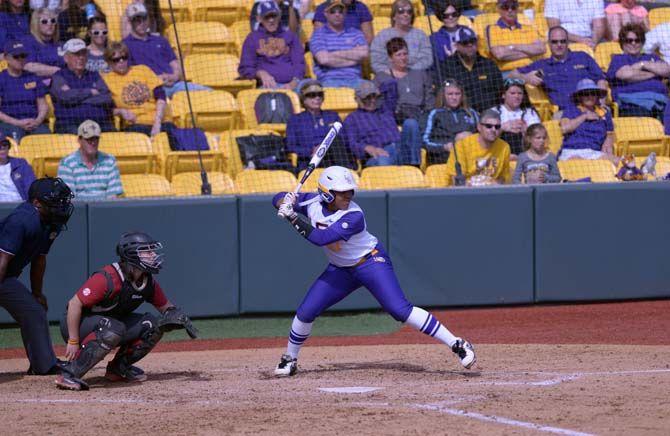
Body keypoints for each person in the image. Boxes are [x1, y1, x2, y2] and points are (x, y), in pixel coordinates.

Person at [271, 167, 477, 377]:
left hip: (370, 262)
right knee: (306, 311)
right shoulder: (311, 202)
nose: (348, 196)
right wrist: (285, 201)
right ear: (327, 193)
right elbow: (276, 198)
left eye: (350, 191)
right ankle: (290, 359)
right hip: (340, 270)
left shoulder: (354, 214)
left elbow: (321, 239)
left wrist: (293, 218)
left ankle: (457, 344)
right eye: (342, 192)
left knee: (399, 310)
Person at [55, 231, 198, 390]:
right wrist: (73, 340)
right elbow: (74, 304)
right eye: (146, 251)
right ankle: (69, 374)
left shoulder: (147, 281)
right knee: (113, 328)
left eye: (152, 251)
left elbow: (167, 308)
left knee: (153, 324)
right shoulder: (108, 277)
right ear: (131, 254)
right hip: (76, 325)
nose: (152, 255)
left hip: (111, 325)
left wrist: (175, 316)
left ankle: (118, 369)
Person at [0, 177, 74, 375]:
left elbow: (39, 259)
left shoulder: (50, 223)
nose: (61, 206)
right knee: (33, 312)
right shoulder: (22, 219)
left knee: (34, 311)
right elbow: (2, 259)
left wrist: (37, 293)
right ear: (36, 203)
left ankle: (44, 365)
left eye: (62, 201)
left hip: (5, 277)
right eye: (55, 202)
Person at [509, 26, 607, 111]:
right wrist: (526, 78)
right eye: (555, 42)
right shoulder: (542, 65)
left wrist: (601, 104)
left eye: (562, 41)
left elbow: (601, 79)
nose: (559, 45)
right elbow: (511, 75)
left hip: (591, 108)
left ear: (568, 42)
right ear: (549, 44)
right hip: (564, 113)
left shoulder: (582, 57)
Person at [122, 3, 209, 97]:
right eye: (137, 21)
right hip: (150, 90)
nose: (142, 23)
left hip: (174, 85)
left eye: (144, 19)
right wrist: (156, 79)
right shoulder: (125, 45)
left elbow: (174, 63)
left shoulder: (160, 40)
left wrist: (174, 76)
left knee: (208, 93)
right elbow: (130, 74)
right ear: (131, 23)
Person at [103, 41, 177, 139]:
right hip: (136, 125)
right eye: (116, 60)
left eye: (124, 58)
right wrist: (120, 111)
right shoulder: (106, 80)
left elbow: (161, 96)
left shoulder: (142, 70)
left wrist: (157, 123)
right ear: (109, 62)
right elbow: (105, 109)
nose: (121, 62)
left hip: (161, 121)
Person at [344, 80, 421, 166]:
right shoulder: (351, 119)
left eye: (374, 96)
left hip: (400, 148)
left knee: (411, 123)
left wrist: (376, 89)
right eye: (367, 97)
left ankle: (414, 166)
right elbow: (351, 143)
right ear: (357, 99)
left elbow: (392, 85)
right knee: (383, 161)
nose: (372, 100)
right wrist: (366, 148)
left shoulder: (386, 109)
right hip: (378, 154)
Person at [286, 79, 355, 169]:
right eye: (312, 95)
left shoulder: (332, 116)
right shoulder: (295, 120)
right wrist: (311, 151)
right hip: (309, 161)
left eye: (320, 95)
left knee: (336, 141)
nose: (317, 98)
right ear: (303, 99)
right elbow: (290, 146)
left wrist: (323, 147)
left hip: (333, 159)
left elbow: (344, 139)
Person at [50, 38, 114, 133]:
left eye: (83, 53)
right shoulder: (59, 76)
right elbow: (65, 97)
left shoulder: (94, 75)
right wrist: (91, 92)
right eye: (76, 54)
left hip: (98, 122)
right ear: (66, 58)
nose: (81, 57)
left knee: (114, 135)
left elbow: (107, 97)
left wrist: (76, 97)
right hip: (69, 123)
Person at [607, 23, 670, 120]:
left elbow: (667, 70)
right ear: (622, 43)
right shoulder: (618, 59)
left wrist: (642, 64)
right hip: (632, 105)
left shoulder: (652, 57)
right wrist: (654, 72)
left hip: (661, 103)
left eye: (637, 40)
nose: (634, 43)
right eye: (629, 40)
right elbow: (625, 75)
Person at [239, 1, 305, 90]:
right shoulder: (252, 38)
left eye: (274, 16)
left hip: (294, 84)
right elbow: (245, 68)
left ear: (279, 15)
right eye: (267, 17)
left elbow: (299, 63)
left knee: (313, 87)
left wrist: (294, 82)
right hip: (269, 86)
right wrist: (260, 73)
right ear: (259, 19)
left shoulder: (290, 36)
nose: (271, 20)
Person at [437, 27, 504, 113]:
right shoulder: (447, 66)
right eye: (465, 42)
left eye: (472, 41)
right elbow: (443, 94)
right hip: (460, 113)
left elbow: (499, 91)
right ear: (457, 45)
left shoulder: (488, 64)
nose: (470, 45)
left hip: (489, 112)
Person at [373, 37, 435, 128]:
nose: (403, 58)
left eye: (405, 54)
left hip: (420, 117)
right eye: (398, 55)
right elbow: (376, 102)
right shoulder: (381, 78)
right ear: (390, 57)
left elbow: (429, 99)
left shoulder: (420, 74)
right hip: (393, 119)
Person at [57, 119, 123, 199]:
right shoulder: (67, 163)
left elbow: (112, 197)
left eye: (96, 138)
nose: (93, 142)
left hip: (105, 209)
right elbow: (69, 199)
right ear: (79, 140)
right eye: (89, 139)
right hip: (78, 210)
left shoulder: (110, 161)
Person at [309, 0, 369, 88]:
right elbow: (323, 60)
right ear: (326, 14)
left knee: (371, 89)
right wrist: (354, 58)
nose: (337, 14)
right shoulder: (318, 35)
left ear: (345, 14)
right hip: (329, 81)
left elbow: (364, 54)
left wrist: (332, 55)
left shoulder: (356, 33)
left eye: (340, 12)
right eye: (333, 12)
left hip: (355, 80)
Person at [0, 40, 50, 141]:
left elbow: (43, 105)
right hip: (10, 123)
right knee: (16, 136)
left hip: (33, 122)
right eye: (16, 56)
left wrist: (37, 121)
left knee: (46, 135)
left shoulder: (33, 77)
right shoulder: (1, 79)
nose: (20, 59)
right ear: (6, 58)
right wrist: (18, 123)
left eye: (23, 56)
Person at [445, 109, 512, 185]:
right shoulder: (462, 145)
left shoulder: (504, 147)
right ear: (479, 127)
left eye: (497, 127)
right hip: (466, 192)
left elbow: (504, 178)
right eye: (488, 126)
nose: (493, 130)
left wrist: (495, 184)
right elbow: (456, 181)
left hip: (492, 192)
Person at [423, 78, 478, 164]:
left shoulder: (471, 113)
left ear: (462, 95)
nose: (454, 97)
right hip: (444, 157)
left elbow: (482, 135)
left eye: (457, 94)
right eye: (450, 94)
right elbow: (425, 141)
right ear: (443, 96)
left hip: (471, 155)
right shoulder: (435, 114)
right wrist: (444, 147)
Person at [559, 78, 616, 161]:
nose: (590, 97)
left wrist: (608, 142)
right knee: (578, 163)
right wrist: (584, 116)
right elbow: (564, 128)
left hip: (594, 152)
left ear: (597, 95)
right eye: (585, 94)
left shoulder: (604, 112)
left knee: (618, 162)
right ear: (579, 96)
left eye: (593, 93)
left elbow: (610, 133)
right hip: (573, 150)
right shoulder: (571, 110)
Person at [370, 0, 433, 74]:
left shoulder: (421, 35)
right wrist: (394, 73)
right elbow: (376, 63)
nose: (405, 14)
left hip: (416, 75)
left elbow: (427, 60)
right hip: (390, 77)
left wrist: (408, 72)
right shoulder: (382, 36)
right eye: (401, 11)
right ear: (393, 16)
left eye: (409, 12)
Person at [486, 0, 546, 73]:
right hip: (509, 72)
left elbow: (541, 49)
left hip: (533, 68)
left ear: (517, 9)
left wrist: (513, 47)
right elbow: (500, 54)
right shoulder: (492, 29)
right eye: (505, 7)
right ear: (499, 9)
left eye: (513, 7)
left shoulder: (529, 28)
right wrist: (530, 52)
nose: (510, 10)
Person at [490, 78, 541, 156]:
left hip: (524, 150)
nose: (517, 96)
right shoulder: (493, 112)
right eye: (512, 93)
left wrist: (526, 131)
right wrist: (502, 127)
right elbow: (486, 136)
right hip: (499, 152)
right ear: (503, 95)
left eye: (520, 93)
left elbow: (538, 136)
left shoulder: (530, 112)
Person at [22, 8, 65, 79]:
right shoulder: (28, 42)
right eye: (44, 21)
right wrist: (59, 71)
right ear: (36, 24)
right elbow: (28, 66)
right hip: (36, 84)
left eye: (53, 21)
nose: (50, 24)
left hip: (60, 82)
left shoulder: (60, 44)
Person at [0, 132, 36, 201]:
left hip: (19, 205)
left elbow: (31, 188)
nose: (2, 148)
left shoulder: (21, 164)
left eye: (4, 145)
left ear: (9, 146)